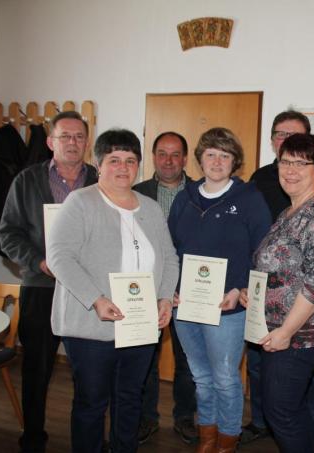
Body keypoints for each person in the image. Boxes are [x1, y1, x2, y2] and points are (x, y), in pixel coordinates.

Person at [48, 128, 179, 453]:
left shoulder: (150, 208)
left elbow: (169, 257)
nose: (123, 167)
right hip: (93, 325)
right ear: (99, 163)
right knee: (92, 403)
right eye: (114, 160)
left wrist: (164, 297)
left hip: (139, 325)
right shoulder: (81, 202)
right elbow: (59, 256)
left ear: (138, 165)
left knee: (130, 399)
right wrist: (96, 299)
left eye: (130, 160)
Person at [0, 110, 98, 453]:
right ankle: (33, 437)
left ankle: (87, 440)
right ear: (50, 141)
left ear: (87, 142)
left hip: (88, 292)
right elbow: (7, 234)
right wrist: (38, 262)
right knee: (37, 368)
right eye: (65, 136)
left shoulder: (101, 181)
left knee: (88, 370)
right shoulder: (26, 181)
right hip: (41, 288)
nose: (73, 143)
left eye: (79, 137)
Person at [168, 127, 272, 453]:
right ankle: (207, 437)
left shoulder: (250, 200)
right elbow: (170, 249)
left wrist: (241, 289)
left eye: (224, 155)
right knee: (200, 376)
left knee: (226, 378)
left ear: (234, 162)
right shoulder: (184, 198)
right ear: (199, 158)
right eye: (210, 153)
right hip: (186, 307)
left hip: (229, 309)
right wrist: (169, 289)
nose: (217, 161)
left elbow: (264, 254)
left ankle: (227, 440)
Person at [242, 133, 314, 453]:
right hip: (281, 330)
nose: (291, 170)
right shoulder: (290, 211)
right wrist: (253, 294)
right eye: (286, 162)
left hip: (300, 335)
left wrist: (286, 331)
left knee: (281, 411)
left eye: (302, 163)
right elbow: (282, 270)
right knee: (286, 409)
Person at [131, 131, 198, 445]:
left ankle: (185, 417)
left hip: (191, 288)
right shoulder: (134, 193)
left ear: (185, 159)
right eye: (162, 153)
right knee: (146, 355)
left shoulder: (202, 193)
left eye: (175, 154)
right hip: (147, 287)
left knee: (188, 357)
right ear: (153, 157)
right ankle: (147, 417)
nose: (168, 160)